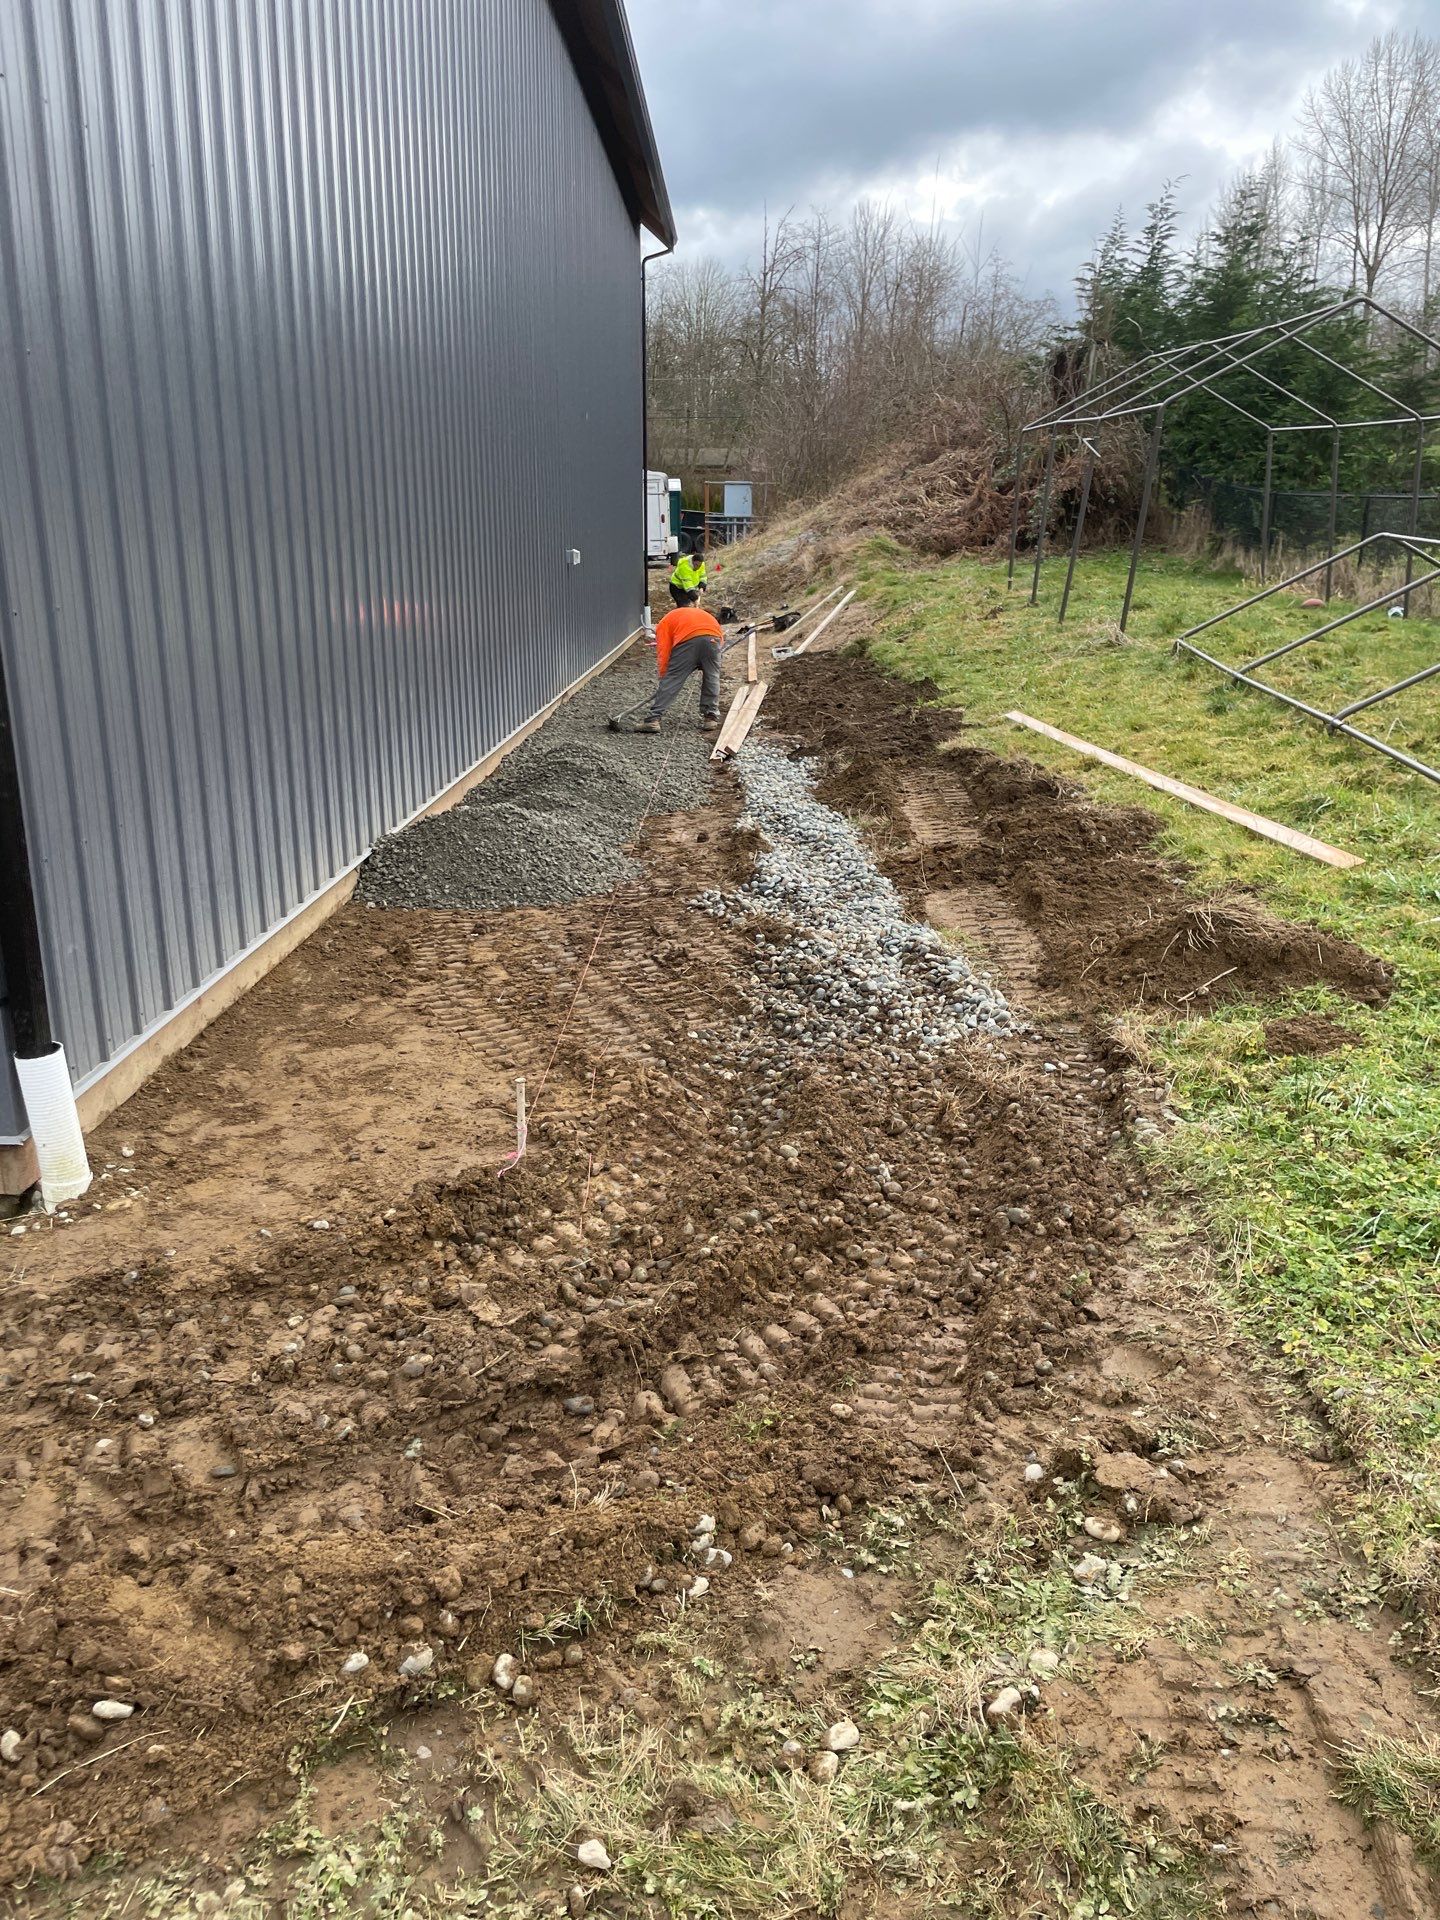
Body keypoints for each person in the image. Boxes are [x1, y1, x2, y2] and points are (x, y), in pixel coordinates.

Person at [637, 603, 723, 733]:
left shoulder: (664, 623)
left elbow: (664, 651)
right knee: (712, 677)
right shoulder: (701, 615)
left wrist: (664, 675)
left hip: (688, 640)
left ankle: (653, 719)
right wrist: (703, 660)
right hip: (713, 640)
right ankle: (710, 717)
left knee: (674, 678)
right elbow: (719, 639)